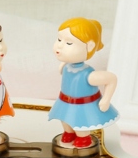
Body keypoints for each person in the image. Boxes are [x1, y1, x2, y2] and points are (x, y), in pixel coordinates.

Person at [49, 17, 119, 148]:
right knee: (65, 120)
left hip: (82, 106)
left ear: (90, 46)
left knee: (80, 124)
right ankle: (69, 133)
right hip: (65, 102)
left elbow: (111, 79)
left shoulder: (88, 75)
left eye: (69, 43)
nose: (60, 45)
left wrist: (106, 99)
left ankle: (84, 138)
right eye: (59, 39)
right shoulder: (66, 66)